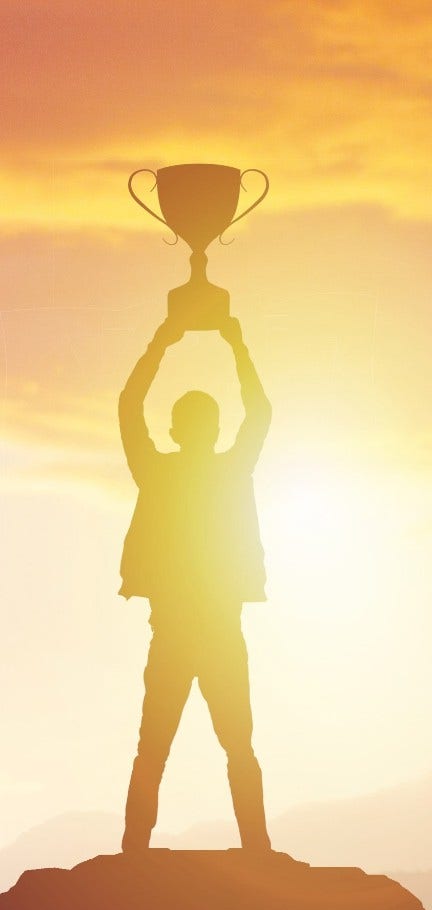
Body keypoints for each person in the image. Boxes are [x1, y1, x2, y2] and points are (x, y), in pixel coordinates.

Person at [118, 313, 272, 854]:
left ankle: (134, 849)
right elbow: (260, 414)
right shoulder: (231, 471)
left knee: (155, 748)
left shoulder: (160, 472)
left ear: (179, 430)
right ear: (210, 430)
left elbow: (128, 406)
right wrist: (236, 343)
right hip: (217, 632)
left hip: (181, 633)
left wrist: (161, 341)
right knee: (236, 747)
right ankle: (257, 848)